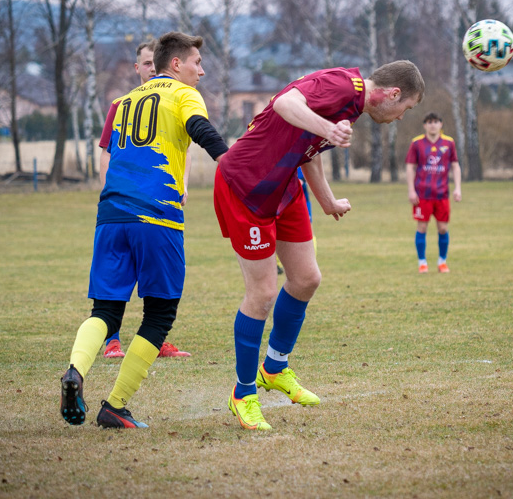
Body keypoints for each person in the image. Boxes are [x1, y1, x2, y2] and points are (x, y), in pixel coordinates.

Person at [214, 60, 425, 431]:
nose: (399, 118)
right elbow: (284, 104)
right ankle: (243, 393)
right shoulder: (344, 86)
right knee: (262, 294)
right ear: (392, 94)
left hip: (284, 187)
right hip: (246, 186)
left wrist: (327, 201)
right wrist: (328, 128)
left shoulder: (353, 107)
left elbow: (306, 151)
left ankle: (274, 369)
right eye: (404, 110)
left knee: (307, 278)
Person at [60, 31, 228, 429]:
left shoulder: (124, 101)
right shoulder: (183, 93)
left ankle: (75, 372)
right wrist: (234, 164)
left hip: (111, 214)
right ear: (175, 64)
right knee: (159, 312)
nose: (201, 71)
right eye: (196, 63)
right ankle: (115, 406)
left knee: (104, 309)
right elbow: (201, 130)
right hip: (156, 216)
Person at [98, 39, 191, 359]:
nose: (153, 68)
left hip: (159, 199)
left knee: (157, 276)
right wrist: (108, 193)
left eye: (156, 62)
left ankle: (153, 339)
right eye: (147, 63)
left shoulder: (174, 101)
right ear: (138, 68)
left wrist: (184, 185)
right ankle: (112, 340)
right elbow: (107, 153)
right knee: (116, 279)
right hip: (126, 203)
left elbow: (183, 147)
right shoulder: (122, 104)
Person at [406, 112, 461, 273]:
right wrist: (411, 190)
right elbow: (410, 167)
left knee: (443, 228)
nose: (432, 125)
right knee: (422, 227)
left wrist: (457, 188)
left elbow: (455, 165)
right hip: (422, 194)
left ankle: (442, 262)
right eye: (429, 122)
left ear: (441, 124)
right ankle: (422, 262)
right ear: (425, 125)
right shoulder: (417, 143)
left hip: (442, 194)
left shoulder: (449, 143)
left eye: (435, 121)